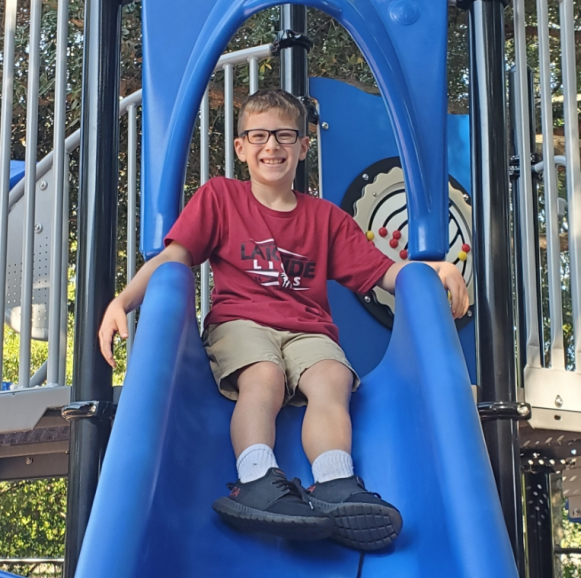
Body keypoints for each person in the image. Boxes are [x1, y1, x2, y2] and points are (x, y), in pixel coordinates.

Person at [99, 88, 469, 552]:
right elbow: (174, 258)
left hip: (308, 328)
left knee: (333, 377)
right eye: (258, 136)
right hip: (241, 323)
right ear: (240, 147)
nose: (270, 146)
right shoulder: (221, 198)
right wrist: (124, 301)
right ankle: (255, 477)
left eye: (283, 136)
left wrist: (434, 269)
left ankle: (334, 482)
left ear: (303, 146)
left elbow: (381, 272)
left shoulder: (325, 218)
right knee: (265, 377)